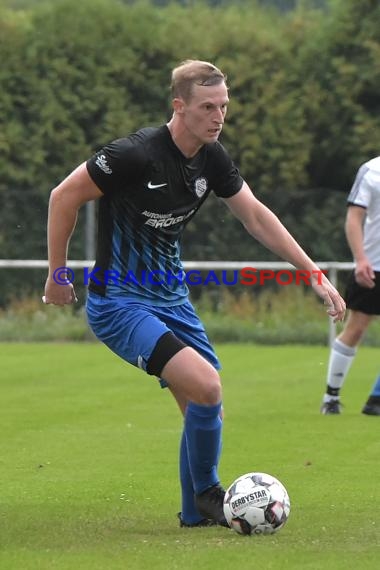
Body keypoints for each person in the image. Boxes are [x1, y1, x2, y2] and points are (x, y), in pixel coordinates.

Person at [44, 59, 346, 527]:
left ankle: (194, 515)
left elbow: (255, 216)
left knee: (205, 409)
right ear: (179, 106)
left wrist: (311, 271)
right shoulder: (135, 154)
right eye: (208, 106)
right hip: (120, 301)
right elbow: (64, 196)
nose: (218, 117)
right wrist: (57, 275)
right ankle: (209, 493)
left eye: (224, 106)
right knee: (206, 387)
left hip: (173, 299)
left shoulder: (212, 158)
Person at [320, 156, 380, 416]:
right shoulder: (372, 171)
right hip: (373, 265)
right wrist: (360, 259)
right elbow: (354, 218)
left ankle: (375, 400)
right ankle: (330, 397)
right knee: (355, 329)